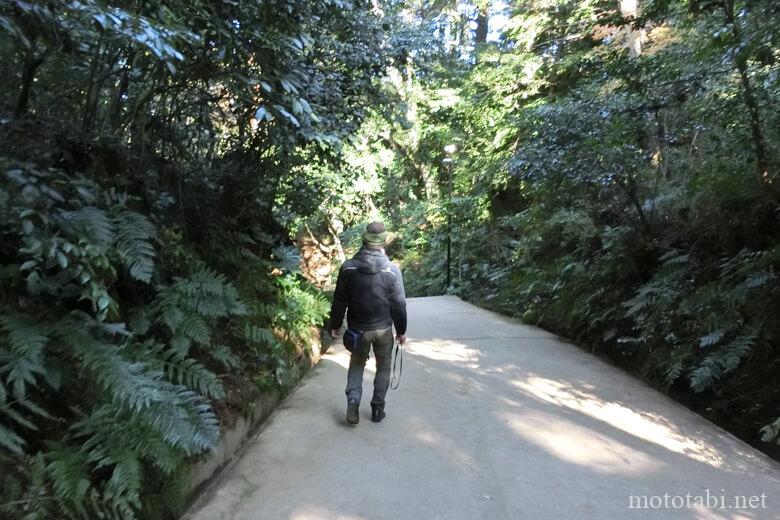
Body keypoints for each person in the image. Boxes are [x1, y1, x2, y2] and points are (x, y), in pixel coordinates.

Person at [329, 221, 407, 425]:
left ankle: (353, 399)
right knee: (383, 367)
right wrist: (401, 331)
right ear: (383, 243)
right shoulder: (391, 270)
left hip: (357, 329)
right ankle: (377, 409)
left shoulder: (348, 268)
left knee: (356, 364)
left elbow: (339, 300)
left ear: (364, 240)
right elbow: (398, 304)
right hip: (382, 330)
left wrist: (335, 325)